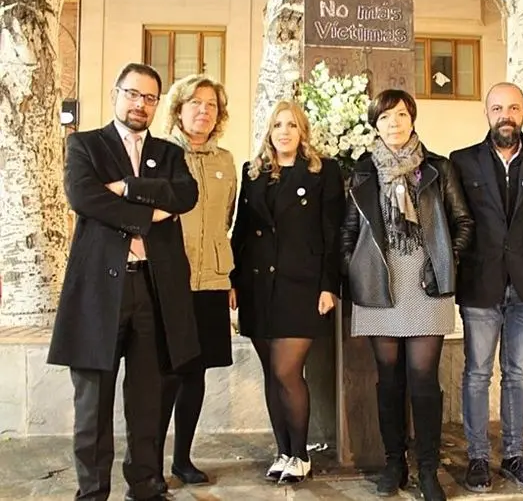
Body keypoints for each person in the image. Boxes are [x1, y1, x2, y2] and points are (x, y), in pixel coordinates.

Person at [47, 62, 199, 501]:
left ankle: (146, 485)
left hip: (154, 288)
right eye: (133, 94)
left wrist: (127, 188)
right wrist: (151, 214)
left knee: (148, 399)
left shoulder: (169, 153)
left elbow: (185, 195)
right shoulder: (85, 145)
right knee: (92, 403)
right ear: (116, 93)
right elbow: (84, 197)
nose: (140, 104)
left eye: (150, 97)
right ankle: (93, 491)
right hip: (99, 292)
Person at [341, 89, 474, 501]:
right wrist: (355, 270)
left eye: (400, 114)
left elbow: (463, 222)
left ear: (412, 118)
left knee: (423, 379)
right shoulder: (363, 171)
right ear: (375, 125)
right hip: (379, 283)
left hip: (425, 284)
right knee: (388, 380)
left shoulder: (437, 167)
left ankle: (428, 469)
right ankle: (393, 463)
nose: (394, 123)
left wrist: (444, 263)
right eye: (385, 117)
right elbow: (348, 231)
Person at [450, 82, 523, 493]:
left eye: (513, 108)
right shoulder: (462, 162)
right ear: (487, 113)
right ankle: (478, 458)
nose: (505, 115)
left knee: (517, 374)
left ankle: (514, 456)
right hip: (480, 284)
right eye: (497, 108)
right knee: (477, 373)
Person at [230, 100, 344, 483]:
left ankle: (300, 454)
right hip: (258, 285)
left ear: (302, 131)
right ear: (269, 131)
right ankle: (282, 452)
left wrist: (329, 285)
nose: (284, 132)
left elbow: (332, 232)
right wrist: (233, 279)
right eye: (278, 125)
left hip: (302, 285)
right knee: (271, 374)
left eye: (292, 125)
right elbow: (241, 230)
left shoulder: (323, 171)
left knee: (287, 371)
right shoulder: (253, 172)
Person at [156, 74, 236, 486]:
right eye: (195, 103)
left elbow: (227, 219)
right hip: (171, 281)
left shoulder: (226, 161)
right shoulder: (161, 155)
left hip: (212, 282)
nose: (204, 111)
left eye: (211, 105)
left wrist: (229, 275)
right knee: (166, 373)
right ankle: (149, 462)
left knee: (196, 373)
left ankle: (182, 459)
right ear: (178, 109)